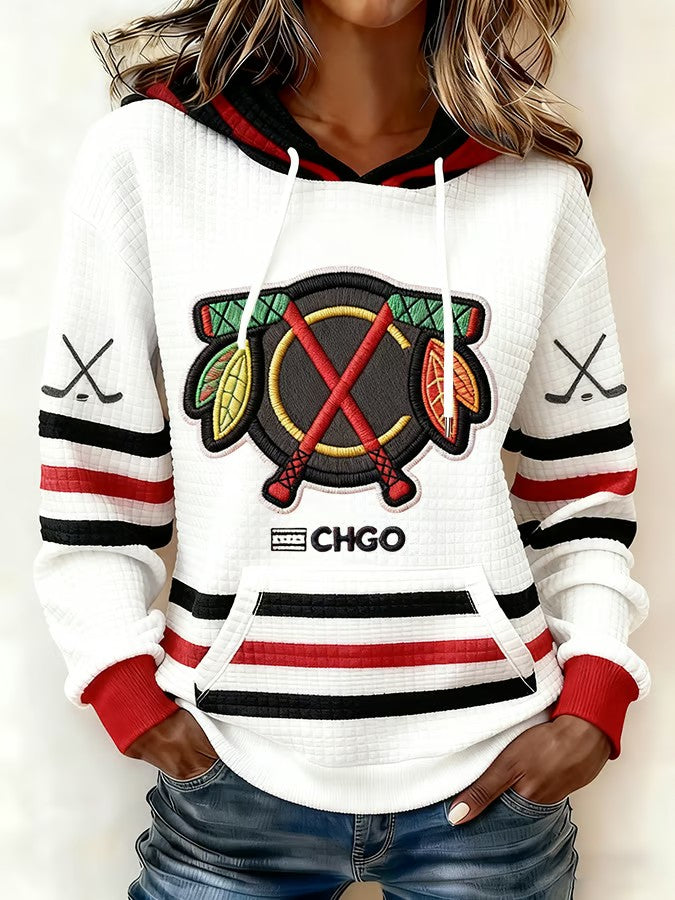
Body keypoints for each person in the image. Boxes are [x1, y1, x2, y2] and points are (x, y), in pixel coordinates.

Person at [33, 1, 651, 897]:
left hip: (494, 777)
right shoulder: (148, 160)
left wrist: (593, 696)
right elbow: (94, 483)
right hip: (229, 775)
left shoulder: (534, 189)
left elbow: (581, 497)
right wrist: (124, 689)